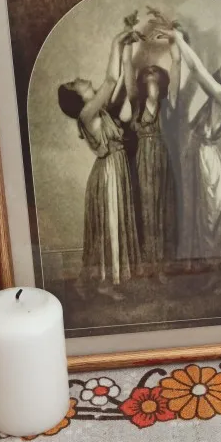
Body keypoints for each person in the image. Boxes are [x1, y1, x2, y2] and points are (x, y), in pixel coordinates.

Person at [156, 27, 221, 292]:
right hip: (196, 159)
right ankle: (208, 272)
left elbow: (198, 71)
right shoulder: (214, 98)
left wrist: (179, 40)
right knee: (196, 217)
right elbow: (192, 80)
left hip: (207, 164)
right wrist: (178, 50)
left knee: (209, 220)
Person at [58, 29, 141, 301]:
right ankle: (105, 284)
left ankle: (91, 281)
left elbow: (123, 87)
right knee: (109, 226)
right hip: (108, 175)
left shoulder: (100, 111)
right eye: (74, 83)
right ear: (78, 96)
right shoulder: (87, 114)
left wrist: (127, 47)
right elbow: (111, 79)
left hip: (115, 171)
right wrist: (116, 41)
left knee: (109, 226)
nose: (79, 78)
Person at [123, 44, 178, 278]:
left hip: (162, 159)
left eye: (155, 70)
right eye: (147, 71)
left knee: (162, 208)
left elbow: (176, 67)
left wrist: (175, 44)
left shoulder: (168, 102)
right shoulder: (135, 102)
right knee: (145, 208)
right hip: (142, 160)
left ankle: (162, 263)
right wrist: (127, 43)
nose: (151, 70)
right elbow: (127, 67)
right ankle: (148, 261)